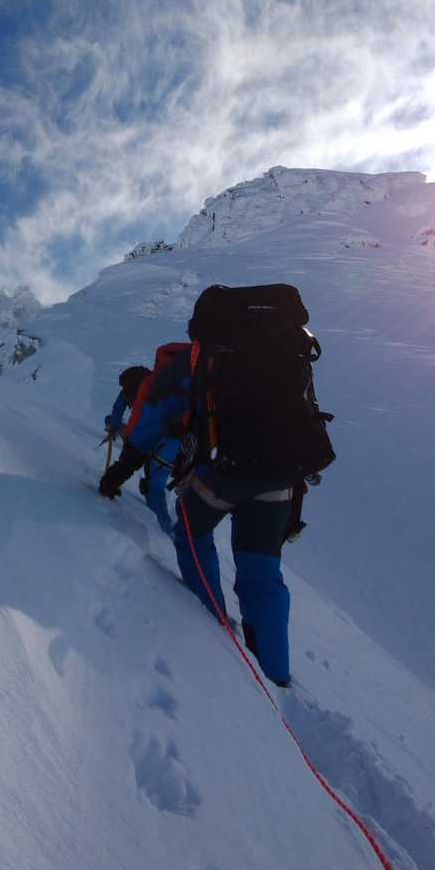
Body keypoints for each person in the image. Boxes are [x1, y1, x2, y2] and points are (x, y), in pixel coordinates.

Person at [105, 286, 335, 688]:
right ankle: (276, 673)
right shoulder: (287, 347)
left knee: (191, 534)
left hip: (222, 474)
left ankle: (211, 625)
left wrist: (116, 475)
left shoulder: (191, 360)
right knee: (263, 574)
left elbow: (149, 425)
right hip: (280, 478)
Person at [99, 350, 183, 535]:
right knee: (154, 482)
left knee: (149, 480)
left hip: (152, 439)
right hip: (173, 441)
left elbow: (125, 420)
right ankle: (164, 527)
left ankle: (164, 531)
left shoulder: (143, 391)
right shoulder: (165, 384)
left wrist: (113, 426)